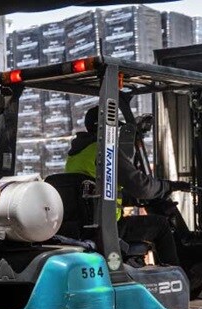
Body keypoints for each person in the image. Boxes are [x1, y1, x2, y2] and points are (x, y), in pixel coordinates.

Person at [65, 106, 191, 266]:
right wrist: (169, 186)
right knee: (161, 225)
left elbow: (95, 193)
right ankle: (177, 274)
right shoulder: (104, 150)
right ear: (105, 127)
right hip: (109, 228)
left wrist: (131, 199)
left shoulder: (76, 154)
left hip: (86, 227)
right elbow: (142, 187)